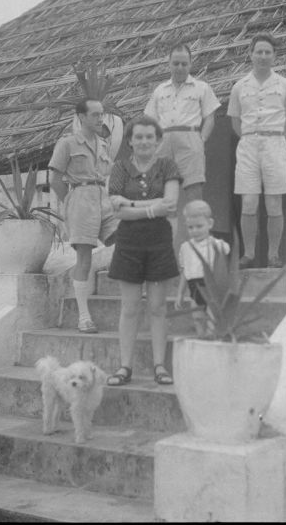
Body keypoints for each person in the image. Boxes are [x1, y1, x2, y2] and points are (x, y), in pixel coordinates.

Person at [106, 115, 181, 386]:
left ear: (158, 141)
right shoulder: (120, 168)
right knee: (129, 308)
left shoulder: (167, 166)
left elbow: (170, 205)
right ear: (130, 141)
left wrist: (133, 205)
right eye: (138, 137)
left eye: (150, 136)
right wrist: (151, 208)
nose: (144, 141)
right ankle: (125, 367)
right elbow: (118, 211)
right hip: (128, 243)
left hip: (160, 241)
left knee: (158, 307)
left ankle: (160, 366)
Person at [227, 33, 286, 269]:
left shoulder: (285, 85)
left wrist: (274, 139)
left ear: (274, 56)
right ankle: (248, 254)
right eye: (258, 51)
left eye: (267, 52)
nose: (262, 56)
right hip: (248, 145)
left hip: (275, 144)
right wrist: (252, 139)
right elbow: (235, 122)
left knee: (273, 203)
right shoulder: (239, 86)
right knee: (249, 202)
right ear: (250, 54)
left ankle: (273, 255)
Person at [49, 98, 119, 333]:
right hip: (80, 198)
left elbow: (106, 173)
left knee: (127, 237)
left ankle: (130, 288)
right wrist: (70, 202)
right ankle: (84, 317)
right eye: (95, 115)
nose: (101, 119)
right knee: (85, 259)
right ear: (81, 117)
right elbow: (55, 179)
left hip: (103, 197)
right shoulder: (67, 143)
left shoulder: (104, 144)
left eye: (102, 114)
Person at [144, 43, 221, 203]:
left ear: (190, 64)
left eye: (184, 64)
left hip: (190, 140)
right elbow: (150, 120)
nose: (180, 67)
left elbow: (210, 118)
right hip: (163, 142)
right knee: (160, 192)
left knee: (194, 190)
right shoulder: (160, 90)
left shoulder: (202, 88)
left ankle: (196, 227)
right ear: (169, 64)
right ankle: (165, 228)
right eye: (176, 63)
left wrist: (202, 139)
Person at [175, 200, 230, 337]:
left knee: (212, 319)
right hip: (194, 287)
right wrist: (180, 294)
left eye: (199, 226)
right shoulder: (185, 247)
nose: (195, 231)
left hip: (211, 286)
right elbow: (184, 272)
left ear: (209, 224)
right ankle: (201, 339)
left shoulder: (216, 244)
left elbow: (226, 252)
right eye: (190, 227)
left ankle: (211, 341)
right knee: (197, 317)